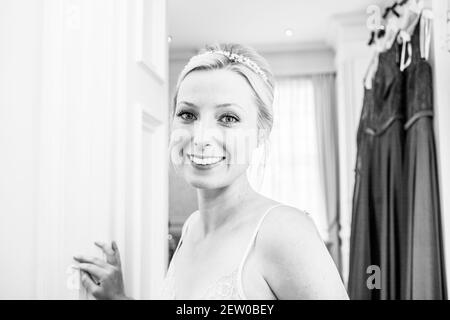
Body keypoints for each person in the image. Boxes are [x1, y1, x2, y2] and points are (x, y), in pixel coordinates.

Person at [73, 43, 349, 300]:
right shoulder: (192, 227)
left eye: (228, 118)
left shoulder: (284, 232)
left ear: (260, 133)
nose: (201, 137)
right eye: (188, 115)